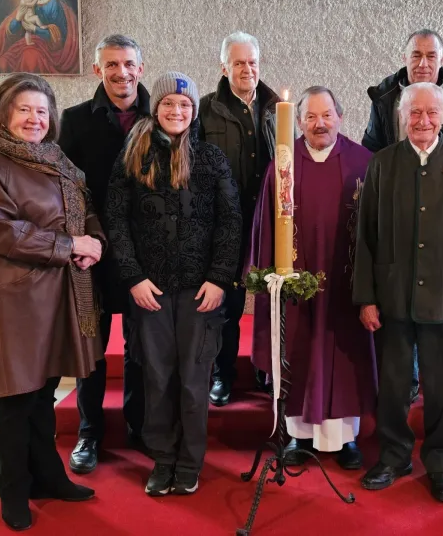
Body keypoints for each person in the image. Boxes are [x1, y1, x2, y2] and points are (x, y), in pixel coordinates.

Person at [0, 73, 104, 530]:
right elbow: (1, 230)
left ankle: (48, 477)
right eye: (24, 109)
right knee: (15, 397)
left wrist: (95, 239)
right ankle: (13, 491)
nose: (34, 119)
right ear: (4, 113)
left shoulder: (57, 159)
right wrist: (71, 246)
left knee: (43, 392)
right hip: (13, 296)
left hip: (58, 291)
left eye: (42, 111)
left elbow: (82, 211)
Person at [106, 72, 242, 496]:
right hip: (152, 290)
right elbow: (116, 219)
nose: (177, 111)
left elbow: (231, 222)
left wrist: (220, 278)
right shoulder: (134, 155)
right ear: (156, 108)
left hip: (201, 291)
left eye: (184, 105)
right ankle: (162, 458)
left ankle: (190, 461)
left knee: (193, 379)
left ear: (193, 111)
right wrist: (133, 277)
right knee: (158, 377)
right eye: (169, 104)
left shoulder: (211, 157)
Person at [354, 82, 443, 503]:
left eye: (431, 113)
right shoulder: (383, 163)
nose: (423, 120)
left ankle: (441, 463)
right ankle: (393, 457)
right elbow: (366, 235)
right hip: (393, 294)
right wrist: (366, 296)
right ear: (401, 116)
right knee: (393, 383)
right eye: (414, 113)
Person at [250, 87, 377, 469]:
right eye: (310, 117)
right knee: (298, 351)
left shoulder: (363, 162)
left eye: (326, 115)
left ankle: (345, 438)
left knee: (345, 354)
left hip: (346, 285)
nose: (319, 123)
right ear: (299, 121)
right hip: (297, 287)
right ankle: (297, 436)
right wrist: (270, 279)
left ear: (341, 115)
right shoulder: (282, 166)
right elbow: (265, 228)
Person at [361, 29, 443, 414]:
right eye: (416, 55)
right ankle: (408, 390)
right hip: (399, 213)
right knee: (399, 356)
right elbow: (370, 152)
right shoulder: (384, 97)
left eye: (431, 56)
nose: (423, 62)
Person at [59, 34, 148, 474]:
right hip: (93, 254)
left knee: (141, 348)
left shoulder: (161, 114)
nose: (121, 72)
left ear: (141, 69)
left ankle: (138, 425)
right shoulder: (74, 121)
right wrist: (80, 240)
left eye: (128, 63)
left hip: (145, 258)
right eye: (111, 64)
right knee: (92, 349)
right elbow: (65, 190)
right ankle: (90, 433)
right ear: (98, 70)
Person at [198, 31, 280, 406]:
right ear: (224, 67)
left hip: (268, 222)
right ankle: (222, 374)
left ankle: (267, 369)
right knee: (227, 305)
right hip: (224, 223)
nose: (247, 69)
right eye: (239, 63)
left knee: (270, 300)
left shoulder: (277, 107)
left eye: (252, 62)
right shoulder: (205, 110)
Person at [0, 0, 79, 74]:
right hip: (29, 42)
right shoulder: (30, 0)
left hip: (48, 48)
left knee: (30, 57)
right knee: (3, 61)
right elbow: (12, 30)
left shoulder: (53, 4)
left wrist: (35, 29)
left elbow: (59, 37)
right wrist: (18, 19)